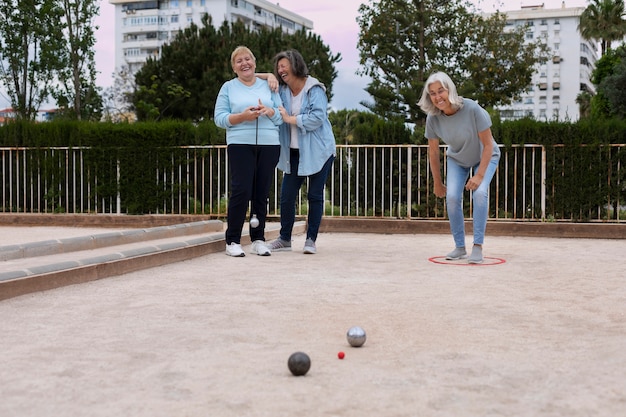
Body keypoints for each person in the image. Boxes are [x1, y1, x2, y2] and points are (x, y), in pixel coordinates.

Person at [417, 71, 501, 264]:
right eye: (433, 93)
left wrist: (480, 175)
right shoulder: (433, 118)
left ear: (449, 90)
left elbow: (488, 145)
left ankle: (477, 246)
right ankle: (460, 247)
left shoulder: (472, 108)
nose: (438, 97)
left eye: (441, 91)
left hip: (485, 156)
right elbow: (433, 152)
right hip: (458, 159)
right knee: (453, 197)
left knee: (480, 194)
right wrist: (438, 183)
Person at [264, 49, 336, 254]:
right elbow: (254, 76)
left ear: (296, 65)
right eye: (278, 67)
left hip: (320, 151)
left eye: (284, 65)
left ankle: (311, 239)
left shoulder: (314, 89)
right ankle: (285, 238)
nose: (280, 70)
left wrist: (290, 119)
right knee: (287, 196)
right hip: (294, 152)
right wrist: (268, 75)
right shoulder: (282, 91)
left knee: (314, 195)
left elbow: (317, 117)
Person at [214, 46, 283, 257]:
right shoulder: (228, 87)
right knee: (242, 190)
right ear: (234, 67)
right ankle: (233, 240)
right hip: (240, 144)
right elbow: (219, 119)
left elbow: (280, 118)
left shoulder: (269, 85)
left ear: (254, 62)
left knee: (261, 192)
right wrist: (242, 117)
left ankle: (258, 239)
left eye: (248, 59)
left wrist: (269, 111)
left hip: (269, 144)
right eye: (239, 61)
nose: (244, 63)